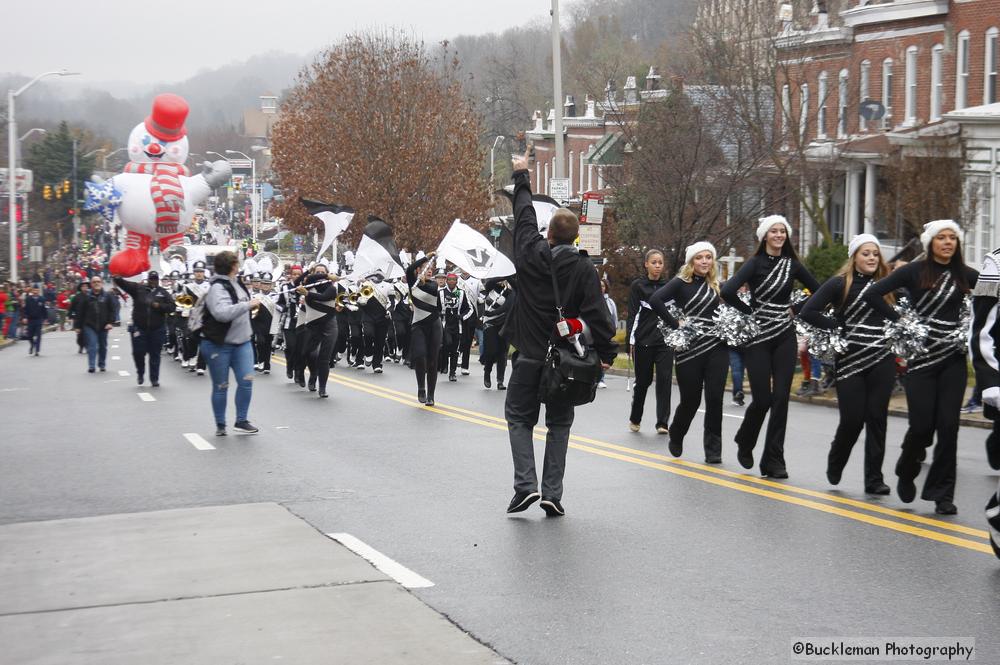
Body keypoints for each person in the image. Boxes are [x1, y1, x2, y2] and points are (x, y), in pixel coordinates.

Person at [502, 146, 617, 517]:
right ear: (576, 236)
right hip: (565, 361)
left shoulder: (531, 253)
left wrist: (522, 176)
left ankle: (526, 486)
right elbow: (600, 318)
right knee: (559, 425)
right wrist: (607, 355)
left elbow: (522, 216)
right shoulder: (585, 269)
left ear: (548, 232)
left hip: (530, 356)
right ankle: (552, 493)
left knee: (519, 418)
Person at [863, 220, 978, 514]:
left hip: (952, 360)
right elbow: (872, 294)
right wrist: (900, 321)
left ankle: (943, 494)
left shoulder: (967, 275)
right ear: (931, 242)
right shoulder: (913, 271)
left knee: (949, 427)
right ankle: (907, 466)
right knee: (922, 427)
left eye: (953, 238)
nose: (948, 242)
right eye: (942, 237)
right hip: (921, 361)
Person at [721, 215, 820, 479]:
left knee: (781, 400)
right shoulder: (754, 263)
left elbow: (818, 292)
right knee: (763, 399)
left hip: (785, 338)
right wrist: (750, 311)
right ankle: (745, 438)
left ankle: (774, 460)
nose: (778, 235)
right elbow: (728, 291)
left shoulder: (793, 265)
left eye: (782, 232)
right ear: (765, 236)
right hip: (759, 340)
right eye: (773, 231)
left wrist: (795, 309)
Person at [800, 234, 895, 495]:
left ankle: (874, 479)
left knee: (877, 419)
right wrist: (837, 326)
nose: (872, 258)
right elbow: (808, 311)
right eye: (866, 253)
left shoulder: (888, 284)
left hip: (881, 360)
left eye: (875, 254)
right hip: (851, 363)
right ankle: (837, 458)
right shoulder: (839, 283)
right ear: (854, 257)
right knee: (852, 421)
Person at [650, 242, 728, 463]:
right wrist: (675, 324)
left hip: (716, 346)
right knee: (691, 400)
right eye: (699, 257)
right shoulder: (680, 283)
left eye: (708, 257)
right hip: (690, 349)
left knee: (715, 398)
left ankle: (713, 450)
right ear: (691, 261)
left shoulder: (717, 285)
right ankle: (677, 433)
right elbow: (655, 300)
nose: (704, 261)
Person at [200, 250, 261, 435]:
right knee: (221, 386)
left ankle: (241, 420)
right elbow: (222, 313)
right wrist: (248, 305)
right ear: (233, 266)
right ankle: (220, 424)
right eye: (237, 263)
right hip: (219, 343)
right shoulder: (217, 288)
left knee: (246, 380)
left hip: (242, 341)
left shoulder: (237, 283)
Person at [626, 249, 672, 433]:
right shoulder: (638, 286)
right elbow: (632, 315)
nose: (657, 265)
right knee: (643, 382)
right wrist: (630, 341)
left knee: (665, 380)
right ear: (646, 264)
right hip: (643, 341)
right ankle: (635, 418)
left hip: (664, 342)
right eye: (654, 262)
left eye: (660, 262)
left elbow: (674, 313)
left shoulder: (669, 286)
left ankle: (662, 423)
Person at [113, 271, 176, 387]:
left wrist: (159, 306)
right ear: (148, 279)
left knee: (155, 354)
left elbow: (172, 307)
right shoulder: (138, 289)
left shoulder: (163, 293)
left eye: (155, 279)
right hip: (139, 328)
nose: (153, 281)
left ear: (158, 280)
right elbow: (125, 284)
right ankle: (140, 373)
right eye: (151, 279)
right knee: (138, 353)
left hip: (157, 329)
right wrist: (117, 278)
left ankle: (154, 379)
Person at [296, 264, 340, 397]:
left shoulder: (332, 288)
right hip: (312, 325)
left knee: (324, 358)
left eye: (323, 272)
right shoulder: (309, 283)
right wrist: (325, 275)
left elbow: (324, 297)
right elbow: (307, 278)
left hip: (329, 324)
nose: (320, 275)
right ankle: (313, 374)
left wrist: (308, 294)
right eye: (318, 272)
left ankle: (322, 388)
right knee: (309, 353)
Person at [405, 253, 444, 405]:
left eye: (430, 269)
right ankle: (421, 388)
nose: (429, 271)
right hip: (418, 324)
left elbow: (434, 296)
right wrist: (425, 258)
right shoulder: (412, 282)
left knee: (433, 361)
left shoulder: (434, 285)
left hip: (434, 324)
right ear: (418, 270)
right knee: (420, 357)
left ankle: (431, 395)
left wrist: (423, 282)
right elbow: (409, 269)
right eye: (425, 268)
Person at [75, 275, 117, 373]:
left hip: (104, 325)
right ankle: (91, 366)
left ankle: (102, 364)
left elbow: (113, 310)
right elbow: (80, 312)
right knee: (92, 345)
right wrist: (77, 326)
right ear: (91, 285)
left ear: (101, 283)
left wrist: (110, 322)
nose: (96, 283)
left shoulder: (107, 296)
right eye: (94, 282)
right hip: (89, 325)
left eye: (98, 281)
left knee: (102, 346)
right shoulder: (87, 297)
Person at [480, 277, 514, 390]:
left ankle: (500, 380)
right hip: (489, 323)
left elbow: (506, 307)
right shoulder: (490, 287)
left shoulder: (510, 292)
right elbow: (490, 281)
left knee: (502, 352)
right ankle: (487, 372)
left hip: (503, 323)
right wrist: (501, 274)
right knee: (491, 350)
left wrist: (493, 313)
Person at [598, 278, 617, 389]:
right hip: (595, 332)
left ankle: (601, 378)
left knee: (604, 355)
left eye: (603, 286)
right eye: (599, 286)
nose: (601, 288)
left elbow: (614, 318)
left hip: (606, 333)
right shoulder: (592, 300)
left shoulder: (610, 303)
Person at [23, 286, 47, 356]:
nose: (35, 292)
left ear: (38, 291)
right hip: (30, 319)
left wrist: (45, 318)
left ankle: (37, 350)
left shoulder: (42, 299)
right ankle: (32, 344)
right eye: (34, 290)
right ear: (32, 291)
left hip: (39, 319)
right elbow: (25, 309)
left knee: (38, 335)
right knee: (29, 335)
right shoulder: (28, 299)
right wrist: (24, 317)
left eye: (37, 290)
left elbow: (44, 309)